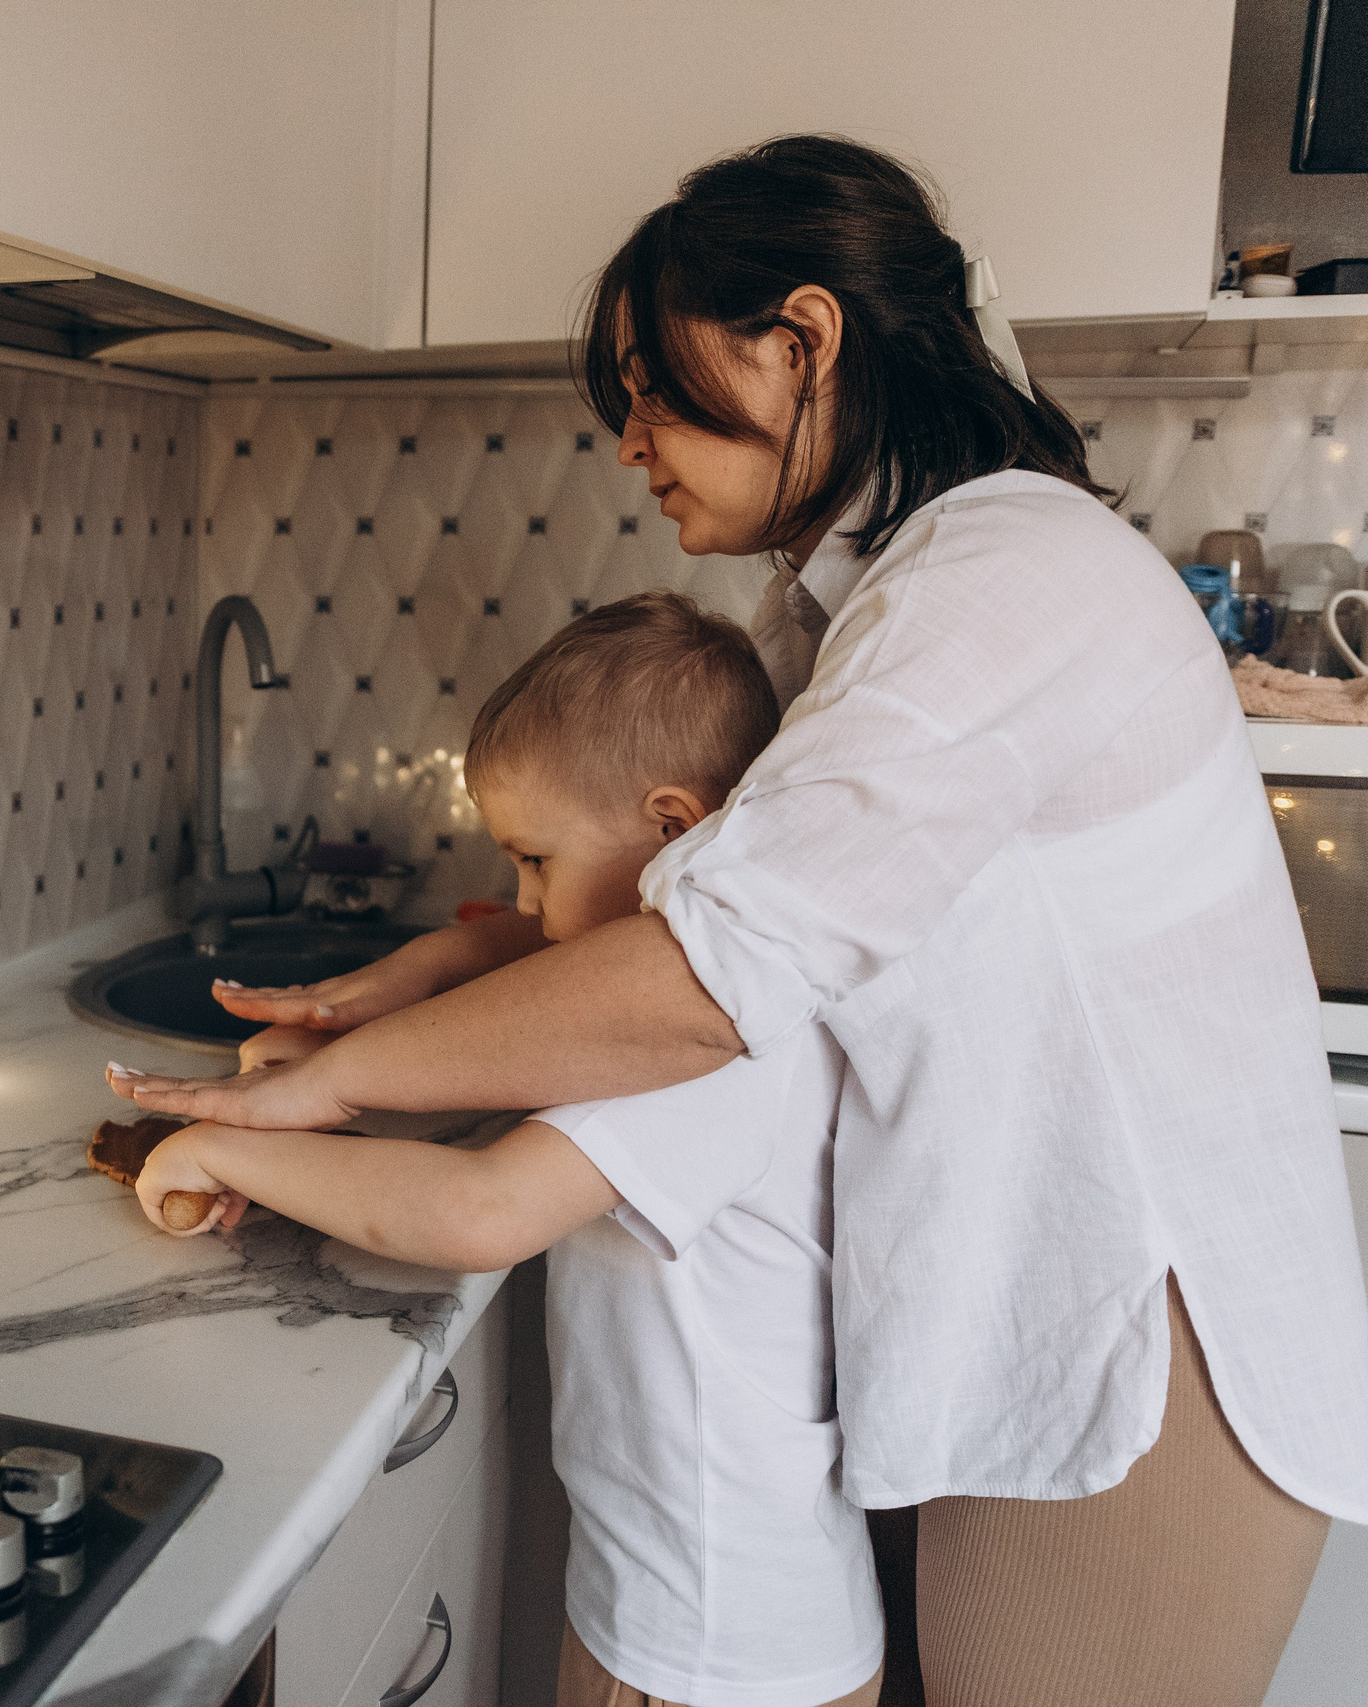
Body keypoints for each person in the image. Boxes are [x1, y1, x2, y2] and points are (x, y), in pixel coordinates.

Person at [109, 136, 1368, 1707]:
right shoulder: (853, 604)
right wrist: (412, 984)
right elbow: (710, 909)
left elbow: (706, 977)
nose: (634, 441)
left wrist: (328, 1084)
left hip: (1148, 1350)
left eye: (657, 390)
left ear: (802, 341)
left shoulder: (1004, 579)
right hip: (1038, 1317)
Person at [137, 593, 882, 1707]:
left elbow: (475, 1210)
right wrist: (330, 1073)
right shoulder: (721, 996)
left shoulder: (698, 1039)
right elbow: (504, 1012)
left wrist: (223, 1153)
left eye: (535, 858)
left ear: (672, 829)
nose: (523, 900)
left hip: (709, 1651)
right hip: (719, 1612)